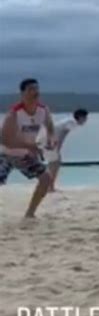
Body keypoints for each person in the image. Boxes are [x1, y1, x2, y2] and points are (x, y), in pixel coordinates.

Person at [0, 78, 54, 218]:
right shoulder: (14, 113)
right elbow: (5, 140)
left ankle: (30, 213)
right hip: (6, 154)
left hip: (25, 156)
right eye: (31, 89)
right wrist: (32, 147)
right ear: (22, 93)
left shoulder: (43, 110)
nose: (35, 92)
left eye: (36, 89)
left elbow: (50, 127)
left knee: (46, 178)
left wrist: (50, 140)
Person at [48, 109, 89, 191]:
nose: (86, 120)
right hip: (49, 141)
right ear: (80, 117)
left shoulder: (71, 122)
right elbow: (62, 135)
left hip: (48, 141)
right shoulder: (72, 123)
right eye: (85, 118)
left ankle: (50, 186)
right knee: (54, 164)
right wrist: (56, 147)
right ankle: (49, 187)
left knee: (54, 164)